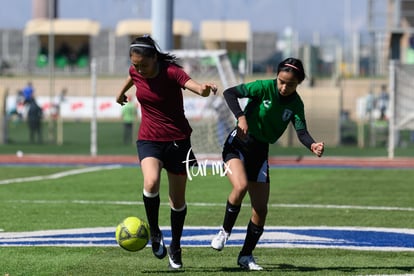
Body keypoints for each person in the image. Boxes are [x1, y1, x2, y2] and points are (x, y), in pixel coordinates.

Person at [210, 57, 325, 270]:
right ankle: (224, 232)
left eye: (290, 84)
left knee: (261, 210)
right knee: (240, 185)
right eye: (281, 81)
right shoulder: (263, 87)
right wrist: (241, 117)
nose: (284, 87)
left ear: (298, 83)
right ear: (277, 77)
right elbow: (230, 93)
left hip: (260, 151)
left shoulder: (296, 104)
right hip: (238, 144)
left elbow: (301, 131)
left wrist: (312, 145)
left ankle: (246, 256)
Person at [115, 35, 218, 269]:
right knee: (150, 183)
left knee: (177, 200)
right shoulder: (135, 71)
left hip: (178, 142)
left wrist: (203, 90)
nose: (139, 69)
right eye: (135, 65)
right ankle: (154, 234)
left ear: (154, 58)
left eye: (144, 64)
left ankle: (176, 246)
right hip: (149, 139)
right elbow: (130, 78)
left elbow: (194, 85)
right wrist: (120, 94)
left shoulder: (171, 72)